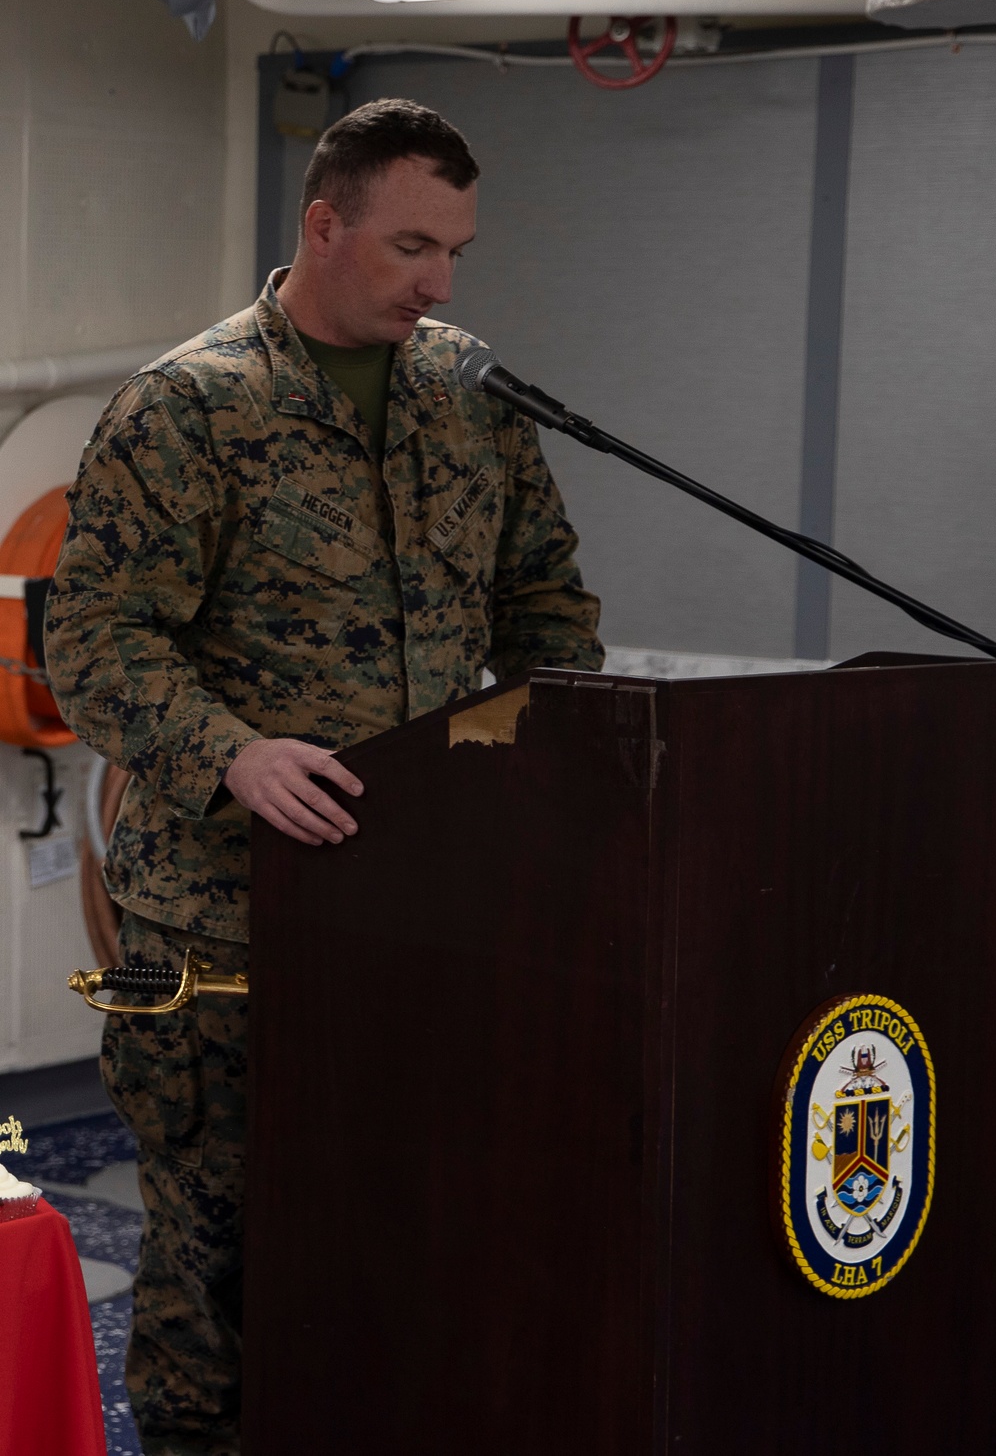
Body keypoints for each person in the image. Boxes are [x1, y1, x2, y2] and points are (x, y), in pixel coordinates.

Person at [45, 97, 603, 1456]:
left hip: (419, 916)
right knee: (217, 1276)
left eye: (457, 250)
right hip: (227, 935)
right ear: (323, 223)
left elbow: (545, 600)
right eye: (413, 244)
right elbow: (90, 641)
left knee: (400, 1245)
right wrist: (232, 754)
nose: (440, 281)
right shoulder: (191, 409)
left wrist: (520, 755)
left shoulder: (466, 392)